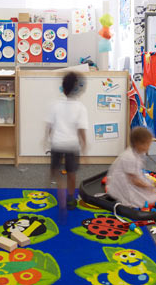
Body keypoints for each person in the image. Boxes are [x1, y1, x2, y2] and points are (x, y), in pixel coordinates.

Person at [45, 71, 88, 209]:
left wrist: (46, 138)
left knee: (56, 169)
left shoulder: (55, 105)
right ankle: (70, 197)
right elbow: (81, 129)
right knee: (71, 173)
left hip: (57, 143)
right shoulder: (81, 107)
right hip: (72, 145)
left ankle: (58, 184)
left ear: (63, 89)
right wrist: (85, 145)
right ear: (78, 90)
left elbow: (49, 125)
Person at [105, 127, 156, 208]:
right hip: (123, 183)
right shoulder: (130, 157)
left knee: (152, 194)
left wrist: (148, 183)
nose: (149, 147)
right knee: (149, 198)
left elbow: (137, 173)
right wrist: (148, 186)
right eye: (148, 145)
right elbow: (134, 180)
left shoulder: (137, 152)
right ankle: (118, 197)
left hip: (130, 179)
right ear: (139, 144)